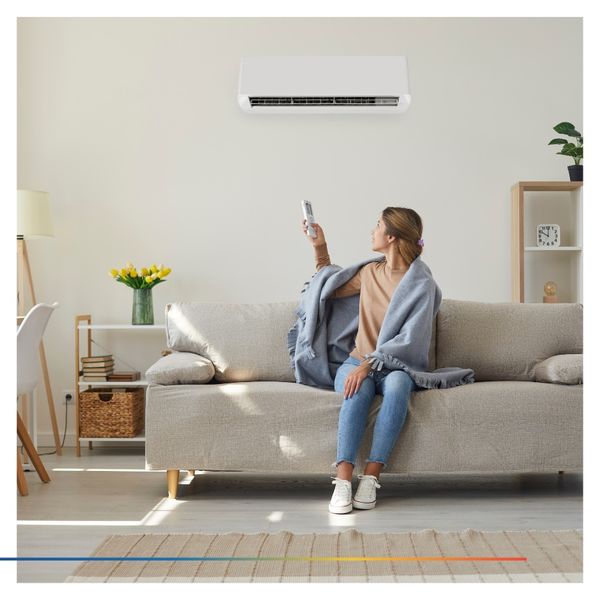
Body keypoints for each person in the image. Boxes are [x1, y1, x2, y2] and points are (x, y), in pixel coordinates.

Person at [302, 207, 425, 514]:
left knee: (397, 385)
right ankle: (343, 479)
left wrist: (369, 365)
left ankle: (371, 477)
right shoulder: (370, 273)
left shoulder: (421, 283)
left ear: (392, 237)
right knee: (359, 389)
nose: (372, 231)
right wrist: (320, 247)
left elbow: (411, 339)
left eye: (377, 225)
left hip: (396, 365)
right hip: (355, 361)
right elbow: (326, 289)